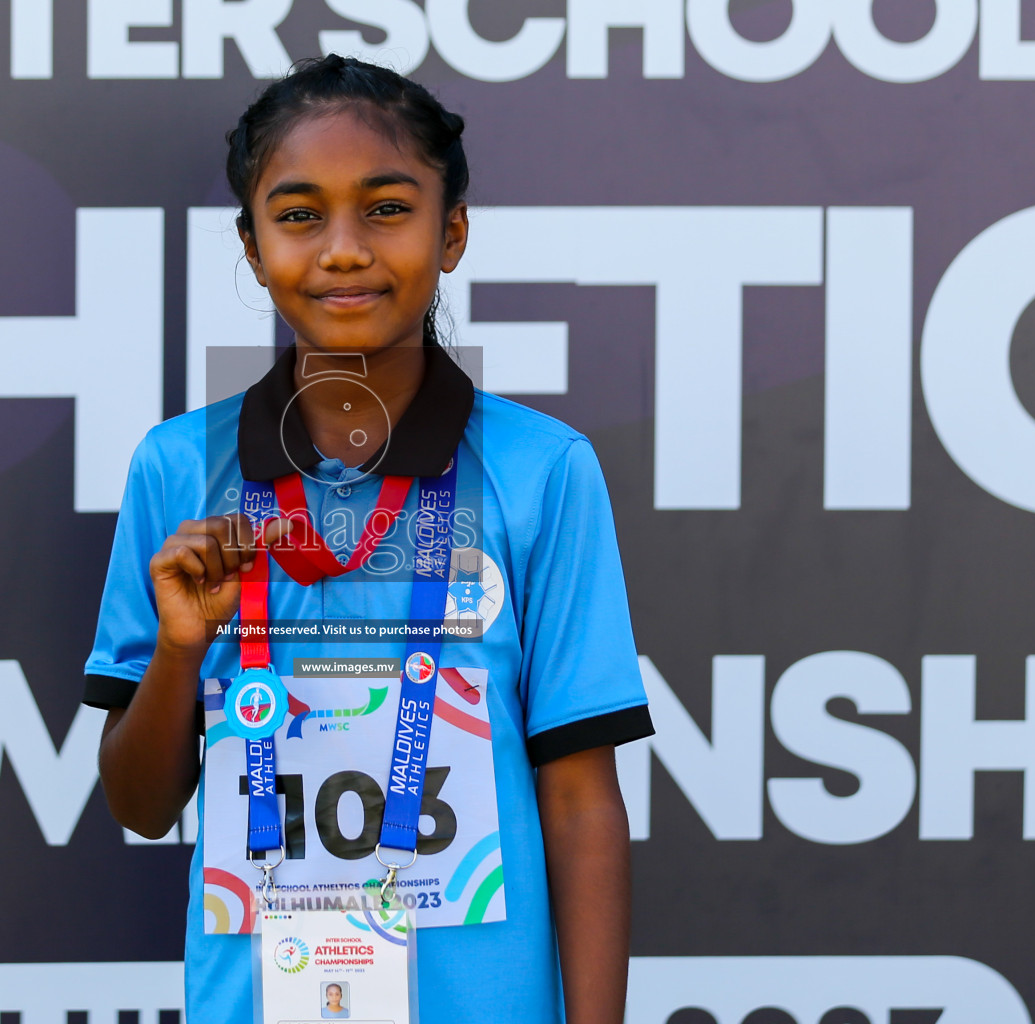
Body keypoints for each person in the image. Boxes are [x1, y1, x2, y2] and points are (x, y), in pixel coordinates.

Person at [86, 54, 653, 1024]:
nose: (343, 248)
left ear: (453, 232)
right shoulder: (180, 466)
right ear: (254, 246)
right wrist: (183, 648)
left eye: (387, 208)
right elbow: (141, 806)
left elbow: (579, 798)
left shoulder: (541, 468)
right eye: (300, 214)